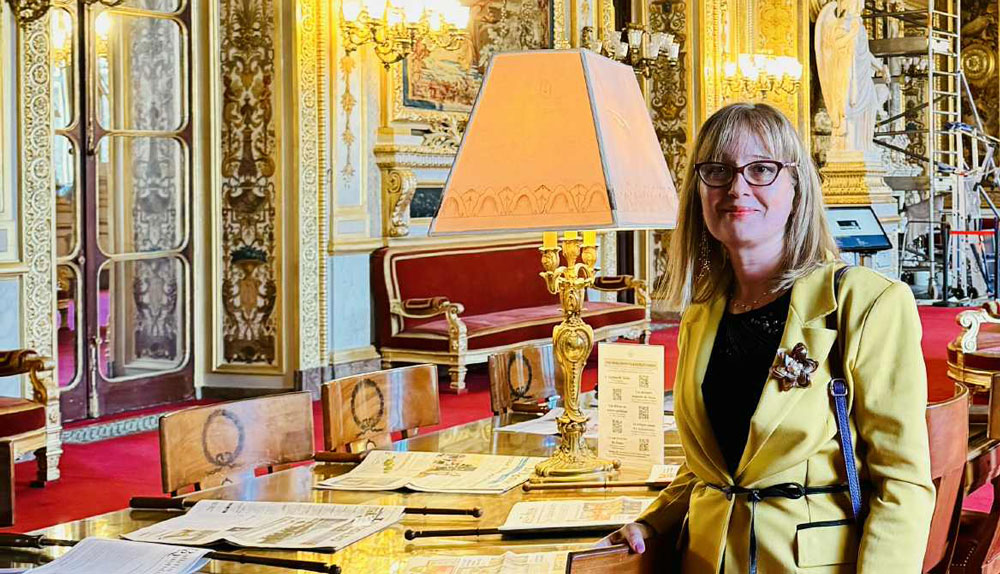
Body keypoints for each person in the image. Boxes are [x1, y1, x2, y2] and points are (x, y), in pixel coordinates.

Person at [598, 102, 934, 572]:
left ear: (796, 187)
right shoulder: (701, 314)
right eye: (717, 171)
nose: (737, 188)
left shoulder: (865, 302)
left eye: (761, 169)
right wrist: (653, 522)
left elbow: (901, 483)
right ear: (699, 190)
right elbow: (712, 464)